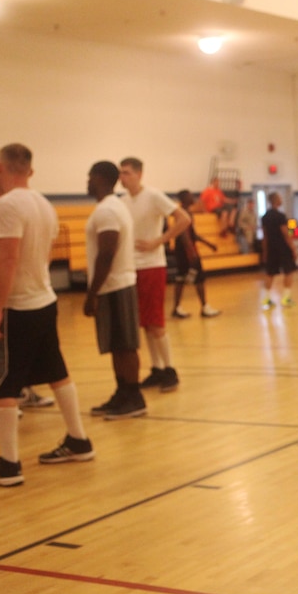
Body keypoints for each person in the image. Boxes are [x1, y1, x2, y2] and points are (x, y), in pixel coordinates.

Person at [0, 144, 94, 486]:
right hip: (45, 300)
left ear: (0, 167)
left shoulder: (7, 206)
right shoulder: (43, 203)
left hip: (18, 306)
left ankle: (9, 465)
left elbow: (9, 259)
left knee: (2, 383)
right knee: (56, 370)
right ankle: (79, 439)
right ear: (30, 169)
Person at [0, 157, 56, 411]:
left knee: (20, 345)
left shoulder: (21, 204)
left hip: (20, 287)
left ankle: (23, 391)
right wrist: (9, 242)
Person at [119, 157, 190, 393]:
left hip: (151, 265)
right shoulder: (122, 201)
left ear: (139, 174)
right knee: (146, 323)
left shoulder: (154, 196)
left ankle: (170, 369)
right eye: (121, 173)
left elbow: (184, 219)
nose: (123, 177)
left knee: (156, 321)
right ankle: (157, 368)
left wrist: (158, 241)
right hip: (132, 268)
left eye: (127, 172)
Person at [84, 161, 146, 419]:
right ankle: (123, 393)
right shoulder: (112, 206)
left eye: (89, 177)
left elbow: (107, 252)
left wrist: (92, 293)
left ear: (99, 178)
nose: (87, 181)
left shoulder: (108, 210)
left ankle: (134, 397)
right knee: (118, 345)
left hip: (115, 285)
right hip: (115, 284)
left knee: (125, 345)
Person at [171, 190, 221, 319]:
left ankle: (176, 308)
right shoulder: (182, 214)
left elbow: (193, 234)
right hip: (187, 252)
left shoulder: (187, 213)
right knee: (199, 279)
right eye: (189, 195)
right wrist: (192, 252)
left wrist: (209, 244)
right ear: (184, 199)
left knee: (181, 279)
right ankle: (205, 307)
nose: (192, 197)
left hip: (183, 251)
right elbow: (183, 235)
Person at [260, 191, 297, 309]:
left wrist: (265, 252)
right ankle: (286, 298)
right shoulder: (280, 216)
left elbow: (265, 236)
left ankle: (266, 299)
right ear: (276, 200)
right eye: (280, 198)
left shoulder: (265, 217)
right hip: (282, 248)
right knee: (289, 271)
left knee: (270, 273)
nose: (281, 199)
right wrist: (293, 248)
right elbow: (286, 234)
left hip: (271, 248)